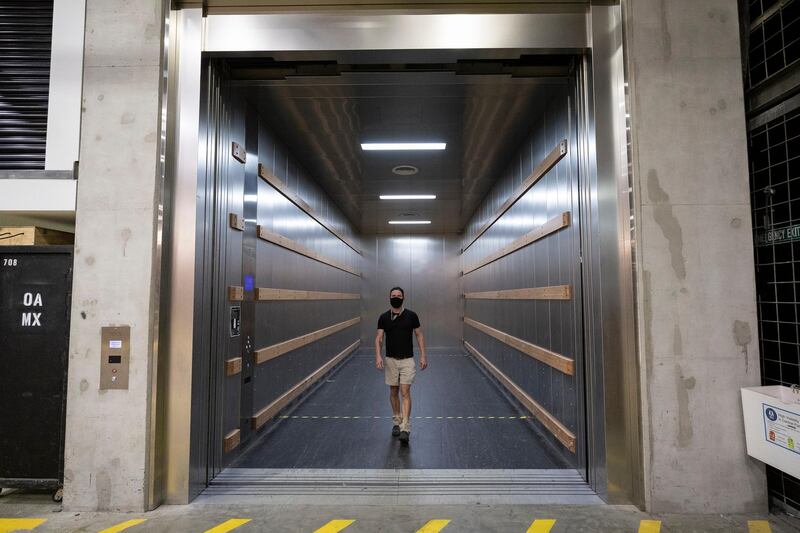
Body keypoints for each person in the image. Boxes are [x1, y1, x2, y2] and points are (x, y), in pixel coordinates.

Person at [375, 286, 427, 444]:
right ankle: (396, 421)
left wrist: (423, 355)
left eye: (399, 295)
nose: (396, 297)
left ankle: (406, 427)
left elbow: (419, 335)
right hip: (391, 360)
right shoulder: (384, 317)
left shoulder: (412, 316)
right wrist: (378, 355)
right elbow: (379, 338)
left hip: (407, 360)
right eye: (393, 295)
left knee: (405, 391)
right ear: (389, 297)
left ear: (403, 298)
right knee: (393, 391)